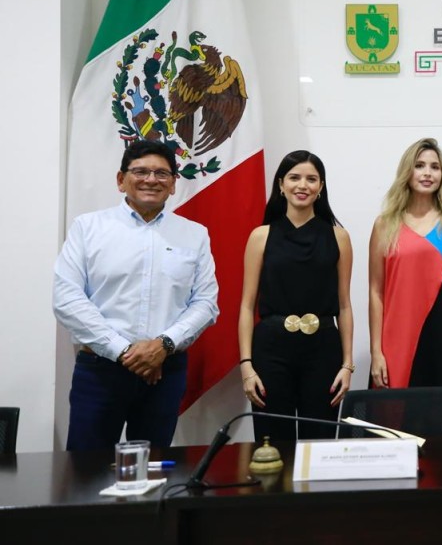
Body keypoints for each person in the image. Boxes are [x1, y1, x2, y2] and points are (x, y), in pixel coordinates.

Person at [53, 140, 219, 451]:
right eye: (140, 171)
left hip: (165, 372)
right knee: (84, 474)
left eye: (161, 173)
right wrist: (125, 352)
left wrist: (162, 345)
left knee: (154, 476)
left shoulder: (194, 234)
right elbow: (67, 298)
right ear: (121, 180)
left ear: (173, 184)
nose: (151, 180)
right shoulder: (88, 227)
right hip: (100, 371)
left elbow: (205, 303)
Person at [238, 150, 355, 444]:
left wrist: (347, 364)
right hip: (271, 350)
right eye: (294, 177)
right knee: (272, 444)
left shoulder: (338, 236)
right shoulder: (260, 236)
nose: (303, 185)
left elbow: (344, 304)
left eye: (311, 179)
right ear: (281, 184)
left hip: (324, 351)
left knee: (321, 441)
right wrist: (246, 364)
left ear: (321, 187)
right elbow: (246, 305)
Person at [368, 138, 442, 389]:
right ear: (407, 171)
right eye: (419, 165)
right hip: (397, 342)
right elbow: (376, 291)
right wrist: (376, 352)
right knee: (396, 422)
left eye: (435, 167)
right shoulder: (385, 224)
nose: (427, 173)